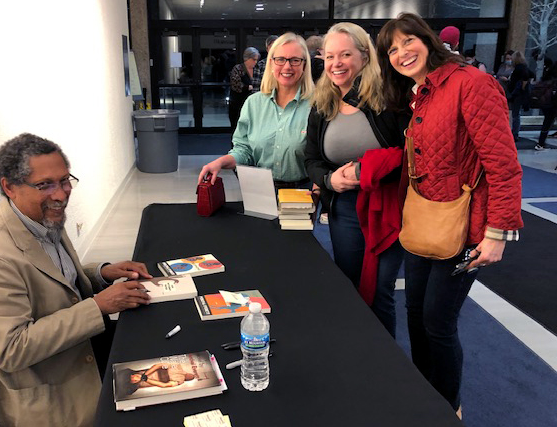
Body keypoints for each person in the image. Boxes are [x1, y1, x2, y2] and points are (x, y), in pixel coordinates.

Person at [376, 13, 523, 418]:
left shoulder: (471, 83)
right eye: (392, 49)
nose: (401, 53)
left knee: (438, 322)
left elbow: (503, 163)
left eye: (408, 42)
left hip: (467, 230)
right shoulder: (419, 92)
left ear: (427, 39)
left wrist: (498, 232)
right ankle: (425, 394)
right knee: (415, 313)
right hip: (427, 221)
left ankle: (446, 407)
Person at [0, 133, 153, 427]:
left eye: (64, 180)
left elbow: (55, 280)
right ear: (10, 187)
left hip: (81, 347)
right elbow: (13, 350)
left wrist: (100, 273)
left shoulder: (40, 219)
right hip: (51, 389)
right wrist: (97, 307)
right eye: (44, 185)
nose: (60, 194)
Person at [304, 22, 410, 337]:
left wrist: (367, 171)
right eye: (330, 56)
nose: (336, 64)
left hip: (388, 208)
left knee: (379, 292)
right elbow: (311, 159)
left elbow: (411, 155)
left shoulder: (389, 97)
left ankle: (386, 366)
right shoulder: (322, 103)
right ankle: (358, 354)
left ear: (364, 56)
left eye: (345, 54)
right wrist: (329, 179)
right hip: (345, 209)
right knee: (349, 286)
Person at [199, 32, 314, 189]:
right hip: (261, 191)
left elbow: (323, 158)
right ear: (271, 63)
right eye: (280, 59)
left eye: (295, 60)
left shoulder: (317, 105)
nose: (287, 66)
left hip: (303, 194)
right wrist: (221, 162)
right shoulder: (254, 103)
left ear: (304, 65)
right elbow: (244, 150)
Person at [228, 47, 260, 132]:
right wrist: (248, 87)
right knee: (237, 128)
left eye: (257, 59)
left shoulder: (257, 69)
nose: (255, 62)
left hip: (253, 105)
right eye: (253, 59)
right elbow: (235, 85)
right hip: (238, 104)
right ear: (247, 58)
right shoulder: (238, 68)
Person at [116, 363, 196, 397]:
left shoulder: (179, 382)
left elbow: (164, 385)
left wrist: (147, 379)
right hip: (144, 374)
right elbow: (158, 365)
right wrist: (146, 375)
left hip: (146, 382)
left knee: (124, 389)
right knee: (123, 376)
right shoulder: (177, 366)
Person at [508, 50, 531, 142]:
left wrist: (521, 88)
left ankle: (514, 134)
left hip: (517, 94)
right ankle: (514, 133)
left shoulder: (519, 69)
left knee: (515, 114)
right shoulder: (523, 68)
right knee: (516, 114)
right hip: (518, 93)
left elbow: (525, 79)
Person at [535, 60, 557, 150]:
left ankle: (541, 142)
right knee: (548, 121)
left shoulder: (548, 75)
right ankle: (541, 142)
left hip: (545, 102)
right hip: (553, 102)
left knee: (547, 122)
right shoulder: (554, 81)